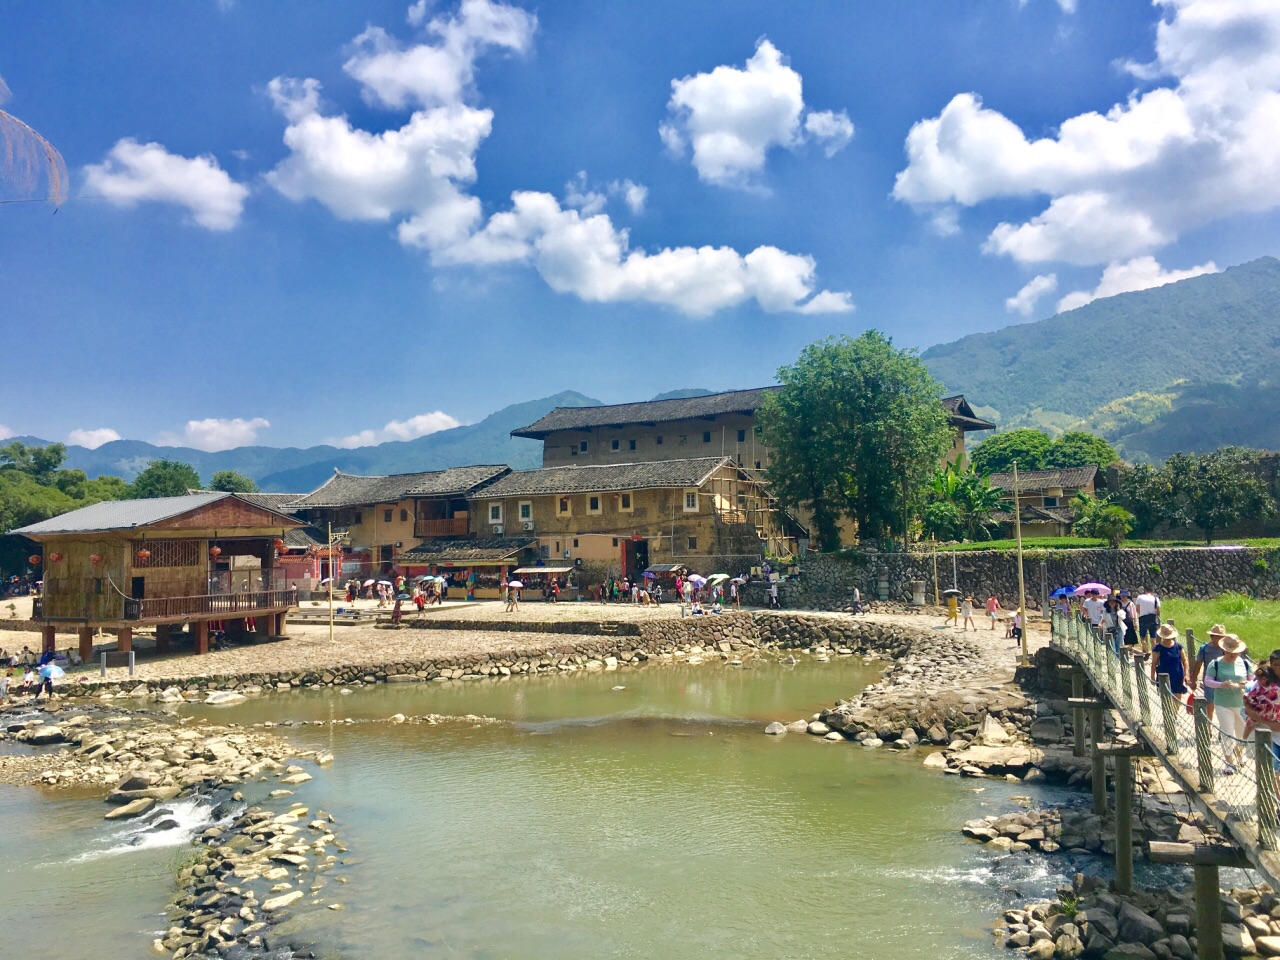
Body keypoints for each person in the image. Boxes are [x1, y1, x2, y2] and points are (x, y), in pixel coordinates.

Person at [1203, 634, 1250, 773]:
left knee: (1243, 733)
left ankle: (1239, 752)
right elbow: (1207, 680)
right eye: (1230, 653)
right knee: (1227, 732)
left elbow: (1252, 682)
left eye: (1235, 653)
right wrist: (1221, 684)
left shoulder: (1244, 663)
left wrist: (1242, 685)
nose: (1232, 655)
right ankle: (1229, 762)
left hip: (1241, 704)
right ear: (1225, 651)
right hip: (1223, 703)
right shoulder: (1216, 663)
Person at [1190, 623, 1228, 719]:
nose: (1220, 639)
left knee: (1223, 708)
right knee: (1209, 705)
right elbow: (1198, 664)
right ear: (1212, 637)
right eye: (1218, 637)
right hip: (1209, 681)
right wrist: (1193, 680)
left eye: (1222, 637)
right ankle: (1208, 729)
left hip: (1223, 681)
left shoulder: (1227, 649)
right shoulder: (1205, 648)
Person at [1150, 623, 1189, 694]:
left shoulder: (1179, 647)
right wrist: (1152, 677)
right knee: (1166, 702)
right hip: (1163, 678)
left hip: (1177, 677)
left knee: (1177, 703)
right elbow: (1154, 663)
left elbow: (1185, 661)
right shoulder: (1158, 648)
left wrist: (1186, 674)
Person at [1135, 586, 1162, 654]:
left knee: (1142, 637)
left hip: (1143, 618)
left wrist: (1142, 613)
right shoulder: (1155, 598)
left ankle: (1146, 651)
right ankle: (1154, 654)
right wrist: (1156, 616)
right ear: (1152, 591)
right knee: (1153, 638)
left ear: (1145, 590)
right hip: (1152, 618)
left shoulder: (1140, 597)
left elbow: (1137, 609)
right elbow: (1158, 611)